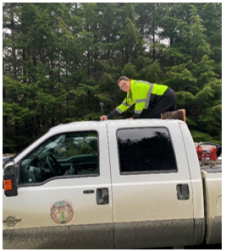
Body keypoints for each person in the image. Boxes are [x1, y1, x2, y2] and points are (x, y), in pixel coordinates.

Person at [100, 76, 186, 121]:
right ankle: (178, 116)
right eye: (121, 87)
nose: (123, 88)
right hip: (166, 96)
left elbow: (139, 104)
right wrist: (108, 116)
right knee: (170, 121)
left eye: (124, 84)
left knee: (153, 116)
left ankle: (178, 115)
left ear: (129, 81)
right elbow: (122, 107)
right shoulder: (130, 94)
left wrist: (135, 118)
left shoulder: (136, 86)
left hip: (166, 95)